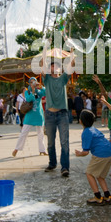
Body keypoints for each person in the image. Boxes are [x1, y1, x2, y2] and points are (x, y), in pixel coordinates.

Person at [41, 45, 75, 178]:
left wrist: (71, 53)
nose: (54, 68)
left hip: (62, 114)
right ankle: (52, 163)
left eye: (56, 66)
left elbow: (71, 66)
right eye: (52, 66)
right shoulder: (47, 79)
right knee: (50, 142)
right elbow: (42, 65)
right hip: (49, 114)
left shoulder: (63, 79)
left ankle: (65, 167)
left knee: (64, 141)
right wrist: (45, 49)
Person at [75, 109, 111, 206]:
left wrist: (79, 153)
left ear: (80, 121)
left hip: (101, 154)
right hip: (110, 153)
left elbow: (85, 152)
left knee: (89, 173)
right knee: (100, 175)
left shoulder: (86, 132)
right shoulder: (94, 129)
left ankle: (97, 197)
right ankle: (108, 196)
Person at [12, 78, 47, 157]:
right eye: (31, 82)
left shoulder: (39, 91)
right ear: (29, 83)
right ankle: (17, 149)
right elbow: (29, 98)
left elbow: (45, 93)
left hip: (39, 114)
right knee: (24, 133)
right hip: (30, 115)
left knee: (40, 133)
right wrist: (33, 90)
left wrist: (40, 87)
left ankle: (42, 150)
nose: (33, 83)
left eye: (34, 81)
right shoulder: (27, 92)